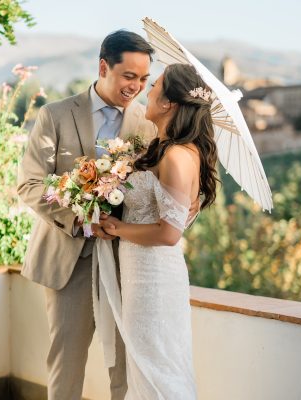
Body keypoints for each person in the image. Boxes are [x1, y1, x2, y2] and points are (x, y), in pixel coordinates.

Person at [17, 30, 156, 400]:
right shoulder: (56, 115)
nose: (136, 87)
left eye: (144, 79)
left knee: (125, 366)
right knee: (66, 362)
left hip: (126, 261)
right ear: (103, 67)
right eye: (129, 76)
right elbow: (30, 184)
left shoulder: (148, 125)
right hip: (68, 259)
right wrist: (79, 218)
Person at [99, 63, 219, 399]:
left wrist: (118, 227)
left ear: (168, 103)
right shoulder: (165, 148)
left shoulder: (178, 156)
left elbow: (169, 233)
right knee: (148, 366)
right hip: (141, 273)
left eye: (155, 85)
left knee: (158, 370)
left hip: (154, 281)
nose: (147, 91)